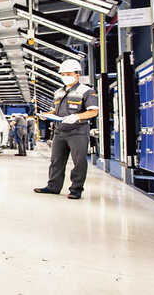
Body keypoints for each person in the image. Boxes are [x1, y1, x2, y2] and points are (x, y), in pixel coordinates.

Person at [34, 59, 99, 200]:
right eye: (63, 74)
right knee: (56, 161)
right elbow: (54, 111)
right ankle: (53, 186)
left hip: (78, 132)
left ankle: (76, 189)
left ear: (77, 74)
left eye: (68, 73)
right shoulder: (58, 92)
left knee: (79, 161)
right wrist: (46, 115)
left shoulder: (86, 91)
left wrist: (76, 117)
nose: (65, 76)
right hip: (59, 132)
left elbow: (93, 112)